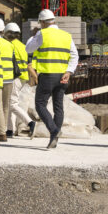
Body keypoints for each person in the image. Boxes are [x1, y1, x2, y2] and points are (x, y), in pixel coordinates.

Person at [23, 8, 78, 149]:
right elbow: (74, 55)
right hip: (63, 76)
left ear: (42, 22)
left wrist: (33, 37)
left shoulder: (42, 33)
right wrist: (69, 71)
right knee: (58, 106)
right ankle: (54, 138)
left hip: (47, 75)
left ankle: (54, 130)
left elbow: (28, 49)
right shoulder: (67, 35)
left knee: (40, 104)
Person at [1, 20, 32, 136]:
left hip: (15, 77)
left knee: (12, 104)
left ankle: (30, 122)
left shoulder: (10, 45)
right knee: (11, 103)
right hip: (23, 77)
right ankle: (10, 129)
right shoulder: (23, 46)